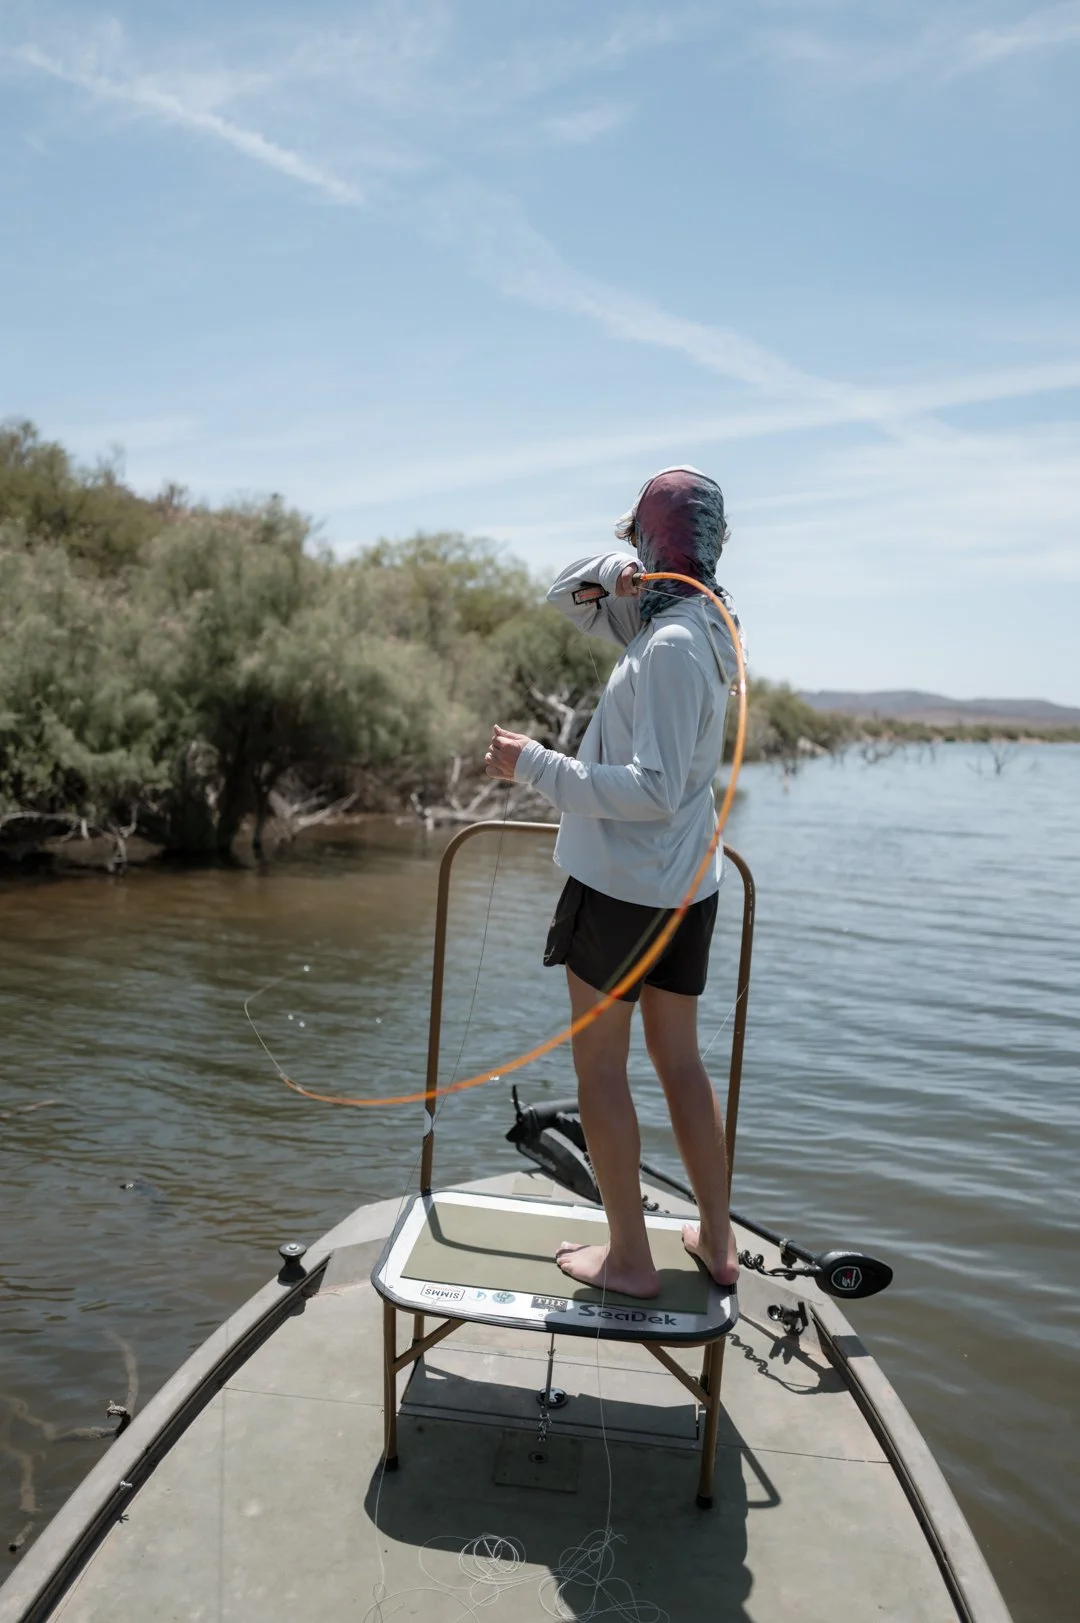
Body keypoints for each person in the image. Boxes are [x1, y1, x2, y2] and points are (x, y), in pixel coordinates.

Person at [484, 466, 745, 1299]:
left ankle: (630, 1257)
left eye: (637, 531)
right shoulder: (700, 622)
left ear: (654, 536)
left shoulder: (666, 644)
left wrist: (535, 766)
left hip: (626, 892)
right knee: (681, 1065)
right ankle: (714, 1235)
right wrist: (617, 569)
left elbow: (654, 788)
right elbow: (566, 595)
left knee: (603, 1072)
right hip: (683, 891)